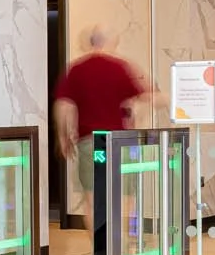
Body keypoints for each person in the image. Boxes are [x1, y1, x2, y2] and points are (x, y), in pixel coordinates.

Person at [53, 28, 151, 167]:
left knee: (94, 180)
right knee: (118, 180)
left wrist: (63, 138)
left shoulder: (77, 69)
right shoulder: (119, 67)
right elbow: (143, 97)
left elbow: (63, 105)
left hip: (91, 141)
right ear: (109, 43)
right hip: (117, 140)